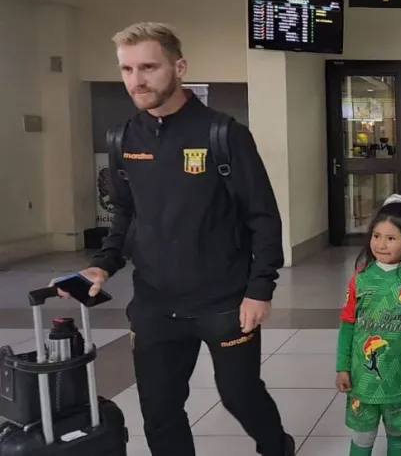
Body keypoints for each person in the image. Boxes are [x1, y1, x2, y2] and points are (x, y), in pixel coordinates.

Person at [53, 22, 293, 456]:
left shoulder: (224, 134)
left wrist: (260, 289)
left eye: (148, 67)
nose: (136, 80)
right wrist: (104, 263)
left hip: (224, 302)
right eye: (127, 69)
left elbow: (263, 216)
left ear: (178, 67)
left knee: (240, 395)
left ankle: (277, 446)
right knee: (160, 411)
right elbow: (126, 212)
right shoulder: (124, 138)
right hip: (155, 305)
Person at [335, 195, 401, 456]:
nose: (381, 244)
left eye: (391, 238)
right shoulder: (361, 277)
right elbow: (347, 325)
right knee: (362, 436)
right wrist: (342, 367)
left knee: (399, 436)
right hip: (363, 380)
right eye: (376, 236)